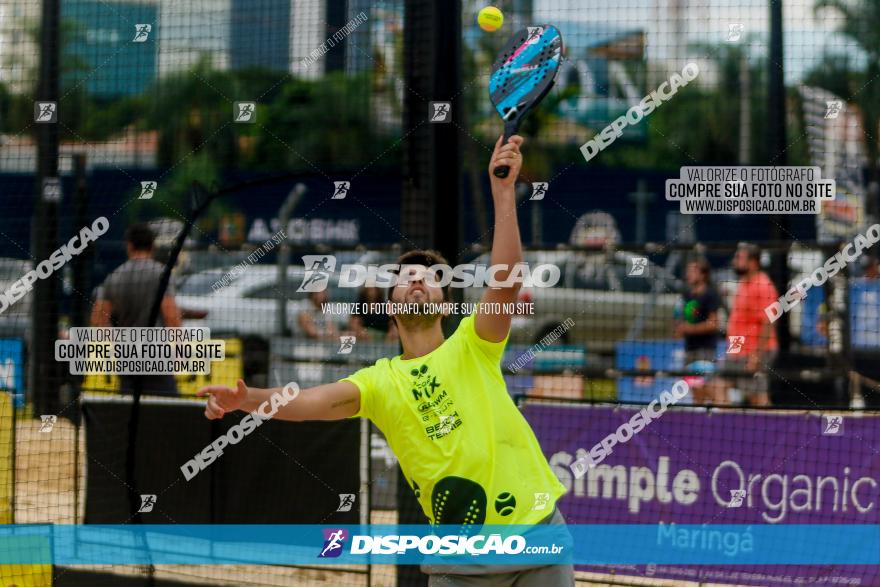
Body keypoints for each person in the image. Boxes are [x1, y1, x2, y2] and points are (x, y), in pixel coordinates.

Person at [198, 135, 574, 585]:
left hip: (538, 539)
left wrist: (502, 192)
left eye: (429, 278)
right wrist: (247, 398)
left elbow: (507, 282)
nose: (417, 281)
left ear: (445, 300)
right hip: (462, 566)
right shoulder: (379, 382)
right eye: (405, 278)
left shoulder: (474, 343)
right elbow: (307, 403)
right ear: (391, 304)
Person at [90, 223, 182, 396]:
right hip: (156, 352)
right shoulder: (161, 273)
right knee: (167, 407)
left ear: (129, 246)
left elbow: (98, 319)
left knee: (130, 408)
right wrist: (179, 348)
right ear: (153, 246)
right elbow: (171, 315)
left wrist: (114, 343)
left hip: (127, 353)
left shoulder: (114, 276)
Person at [707, 243, 778, 406]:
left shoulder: (763, 285)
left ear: (753, 262)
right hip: (738, 350)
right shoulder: (744, 283)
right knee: (717, 384)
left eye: (739, 258)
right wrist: (732, 351)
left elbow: (768, 323)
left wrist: (757, 357)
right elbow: (739, 324)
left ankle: (774, 428)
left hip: (755, 350)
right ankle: (727, 427)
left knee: (757, 398)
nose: (734, 261)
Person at [674, 256, 721, 403]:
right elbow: (679, 322)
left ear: (703, 275)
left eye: (693, 271)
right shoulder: (686, 295)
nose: (688, 274)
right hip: (690, 350)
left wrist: (688, 329)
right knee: (695, 391)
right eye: (688, 271)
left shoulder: (710, 295)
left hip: (706, 351)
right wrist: (679, 329)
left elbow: (713, 324)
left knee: (707, 388)